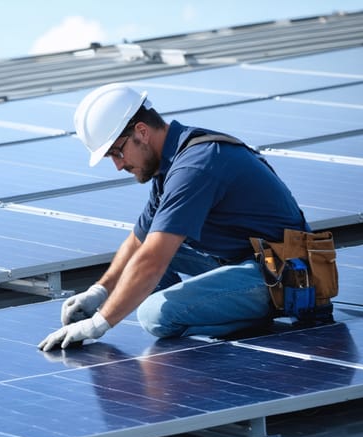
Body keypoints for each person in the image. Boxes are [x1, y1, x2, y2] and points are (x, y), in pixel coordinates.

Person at [38, 83, 308, 352]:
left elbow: (153, 261)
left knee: (154, 316)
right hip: (252, 261)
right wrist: (99, 291)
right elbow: (138, 241)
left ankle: (257, 321)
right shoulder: (170, 163)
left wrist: (97, 324)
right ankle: (227, 310)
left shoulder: (195, 166)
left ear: (141, 132)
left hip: (286, 276)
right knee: (141, 258)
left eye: (117, 152)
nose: (118, 165)